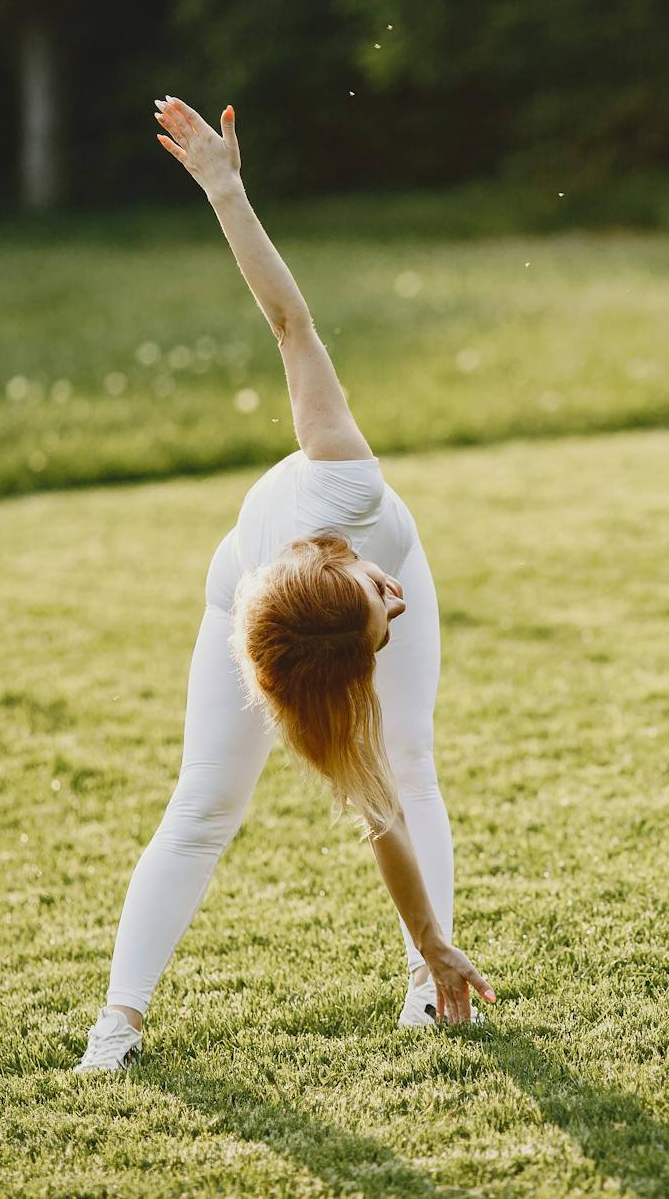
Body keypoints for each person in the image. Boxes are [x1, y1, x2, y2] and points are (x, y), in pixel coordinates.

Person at [75, 96, 493, 1073]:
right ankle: (118, 1022)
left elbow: (288, 320)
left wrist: (226, 191)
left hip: (306, 597)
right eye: (388, 610)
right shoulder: (290, 646)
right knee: (204, 804)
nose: (400, 602)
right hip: (249, 606)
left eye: (382, 609)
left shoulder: (345, 477)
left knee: (411, 759)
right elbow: (359, 795)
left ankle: (422, 988)